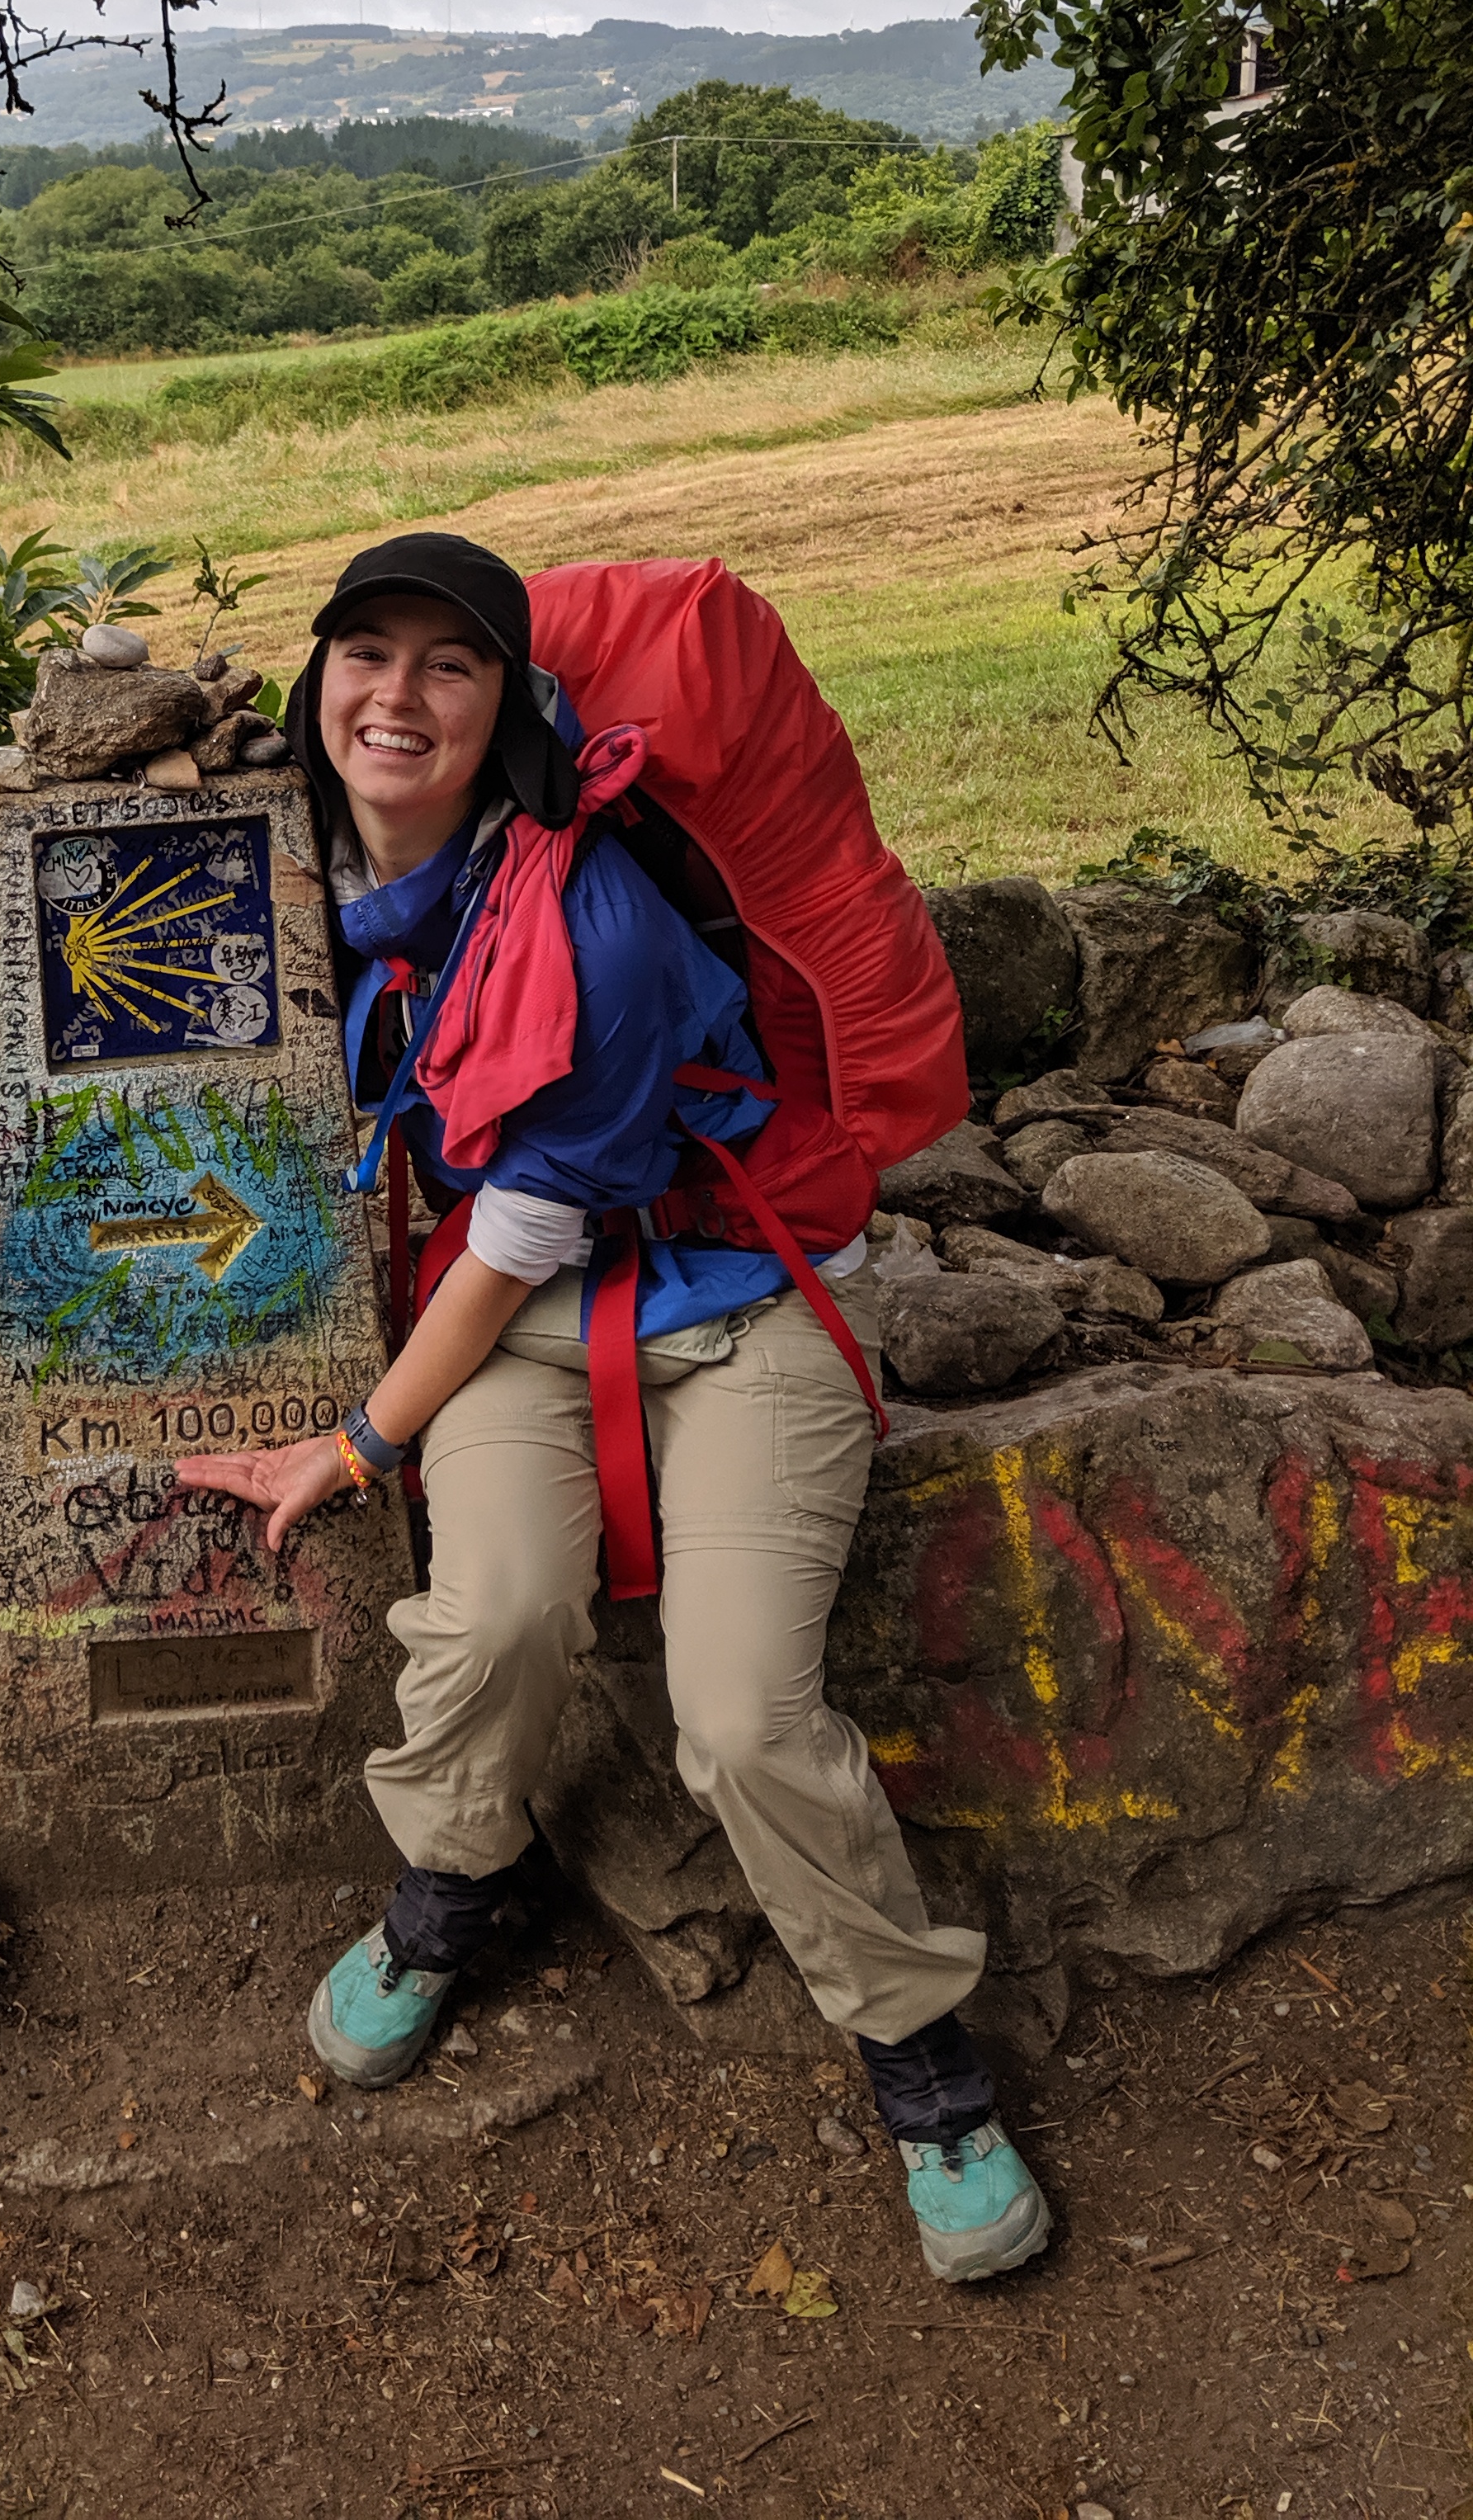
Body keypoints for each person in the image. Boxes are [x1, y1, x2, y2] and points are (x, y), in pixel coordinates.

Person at [161, 530, 1051, 2287]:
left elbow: (516, 1234)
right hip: (520, 1329)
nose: (397, 697)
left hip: (722, 1300)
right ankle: (448, 1889)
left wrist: (356, 1445)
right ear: (315, 682)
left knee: (735, 1714)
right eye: (367, 654)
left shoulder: (591, 917)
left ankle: (915, 2048)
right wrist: (26, 840)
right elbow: (112, 890)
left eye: (451, 666)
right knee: (491, 1619)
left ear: (511, 712)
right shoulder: (299, 850)